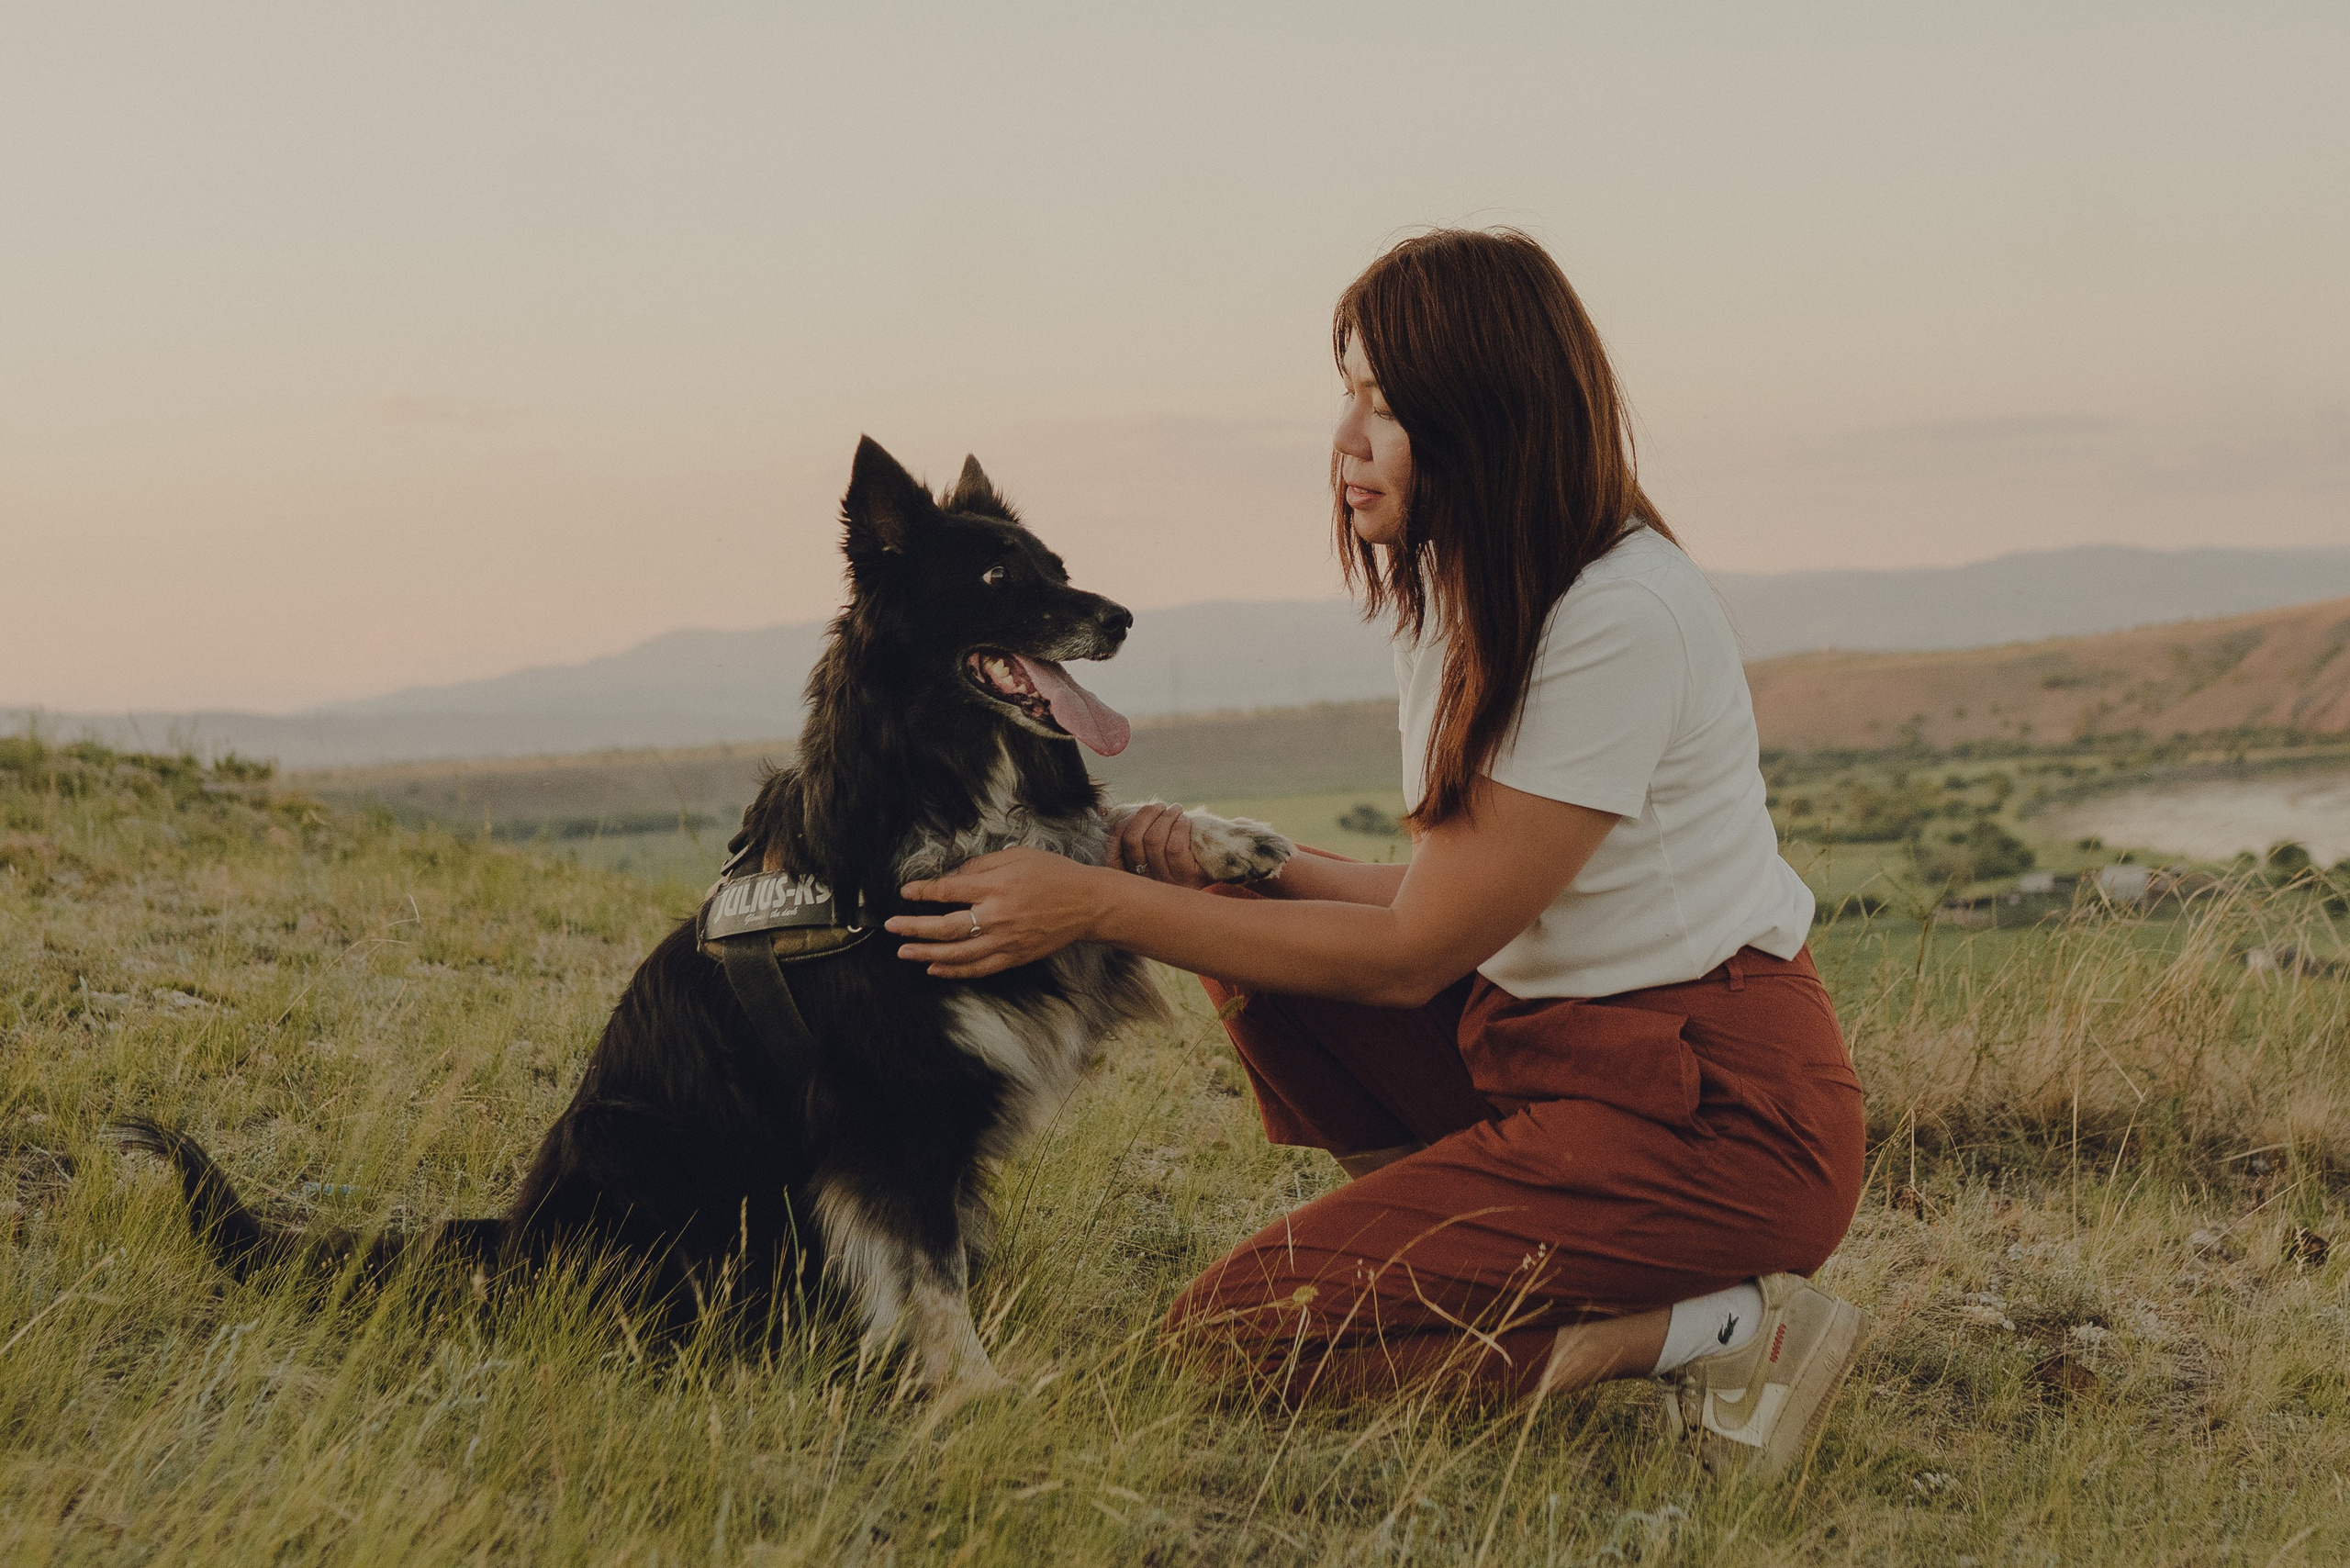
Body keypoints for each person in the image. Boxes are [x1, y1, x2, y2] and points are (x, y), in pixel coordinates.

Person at [884, 228, 1867, 1477]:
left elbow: (1413, 954)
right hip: (1553, 1047)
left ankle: (1725, 1328)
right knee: (1247, 928)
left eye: (1385, 408)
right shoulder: (1473, 583)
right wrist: (1229, 860)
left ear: (1482, 417)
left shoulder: (1618, 614)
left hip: (1715, 1111)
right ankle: (1470, 1255)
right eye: (1346, 399)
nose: (1346, 444)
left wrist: (1091, 904)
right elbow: (1451, 899)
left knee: (1232, 1343)